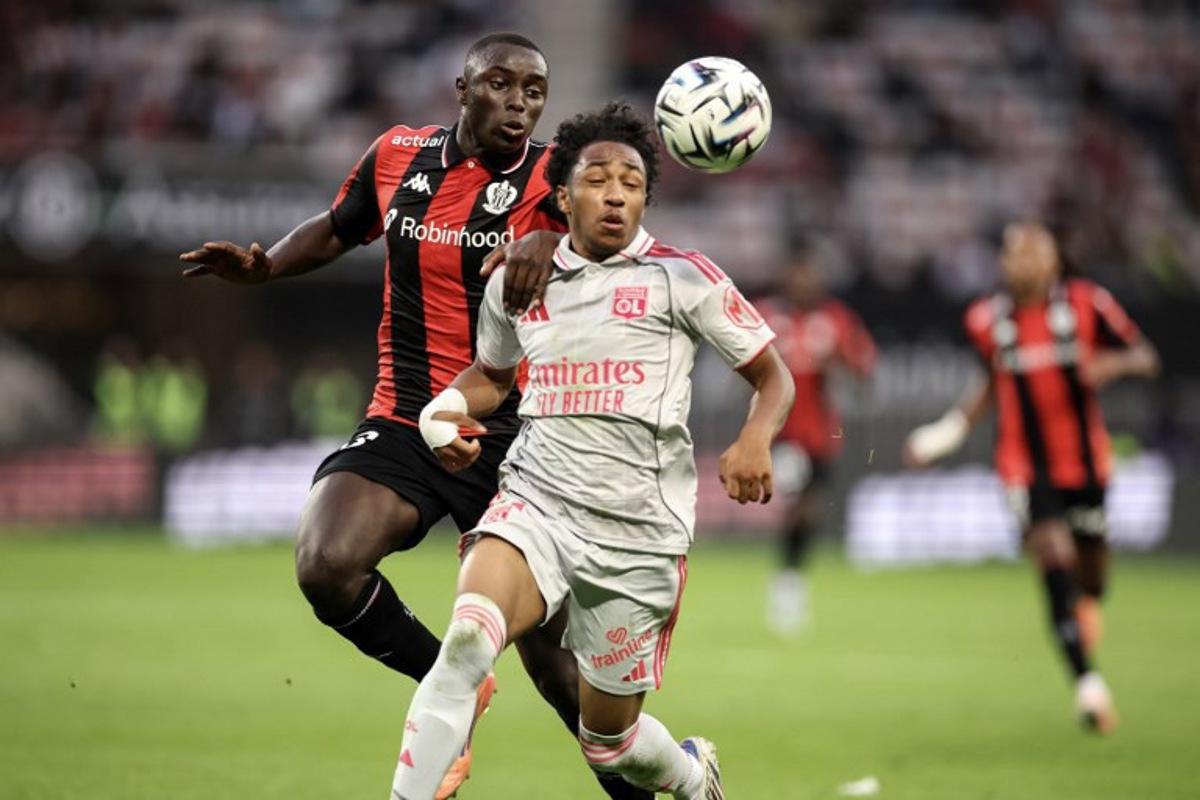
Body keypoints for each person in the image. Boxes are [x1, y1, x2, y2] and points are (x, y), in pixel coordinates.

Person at [180, 33, 648, 800]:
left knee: (561, 672)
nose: (520, 103)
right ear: (462, 88)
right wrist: (267, 268)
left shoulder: (556, 178)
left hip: (522, 431)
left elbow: (610, 240)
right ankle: (452, 688)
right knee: (326, 564)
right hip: (409, 414)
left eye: (534, 91)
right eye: (502, 84)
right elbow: (339, 225)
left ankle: (655, 788)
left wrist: (547, 241)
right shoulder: (398, 154)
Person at [391, 102, 794, 800]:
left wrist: (755, 438)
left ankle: (695, 777)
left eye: (632, 183)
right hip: (535, 504)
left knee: (608, 745)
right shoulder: (521, 281)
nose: (616, 194)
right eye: (599, 178)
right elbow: (491, 376)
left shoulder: (684, 276)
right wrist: (442, 408)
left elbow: (772, 374)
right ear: (562, 193)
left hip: (639, 534)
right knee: (464, 646)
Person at [904, 221, 1159, 734]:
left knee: (1091, 580)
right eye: (1011, 253)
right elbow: (990, 386)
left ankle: (1082, 611)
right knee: (1053, 559)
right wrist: (945, 434)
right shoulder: (986, 319)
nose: (1019, 261)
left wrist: (1110, 364)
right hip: (1024, 468)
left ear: (1054, 262)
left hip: (1085, 466)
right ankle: (1090, 687)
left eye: (1031, 252)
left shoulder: (1089, 304)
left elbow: (1145, 357)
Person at [761, 255, 876, 633]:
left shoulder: (835, 320)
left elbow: (863, 369)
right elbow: (740, 366)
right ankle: (788, 585)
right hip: (779, 432)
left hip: (821, 436)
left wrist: (845, 365)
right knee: (798, 502)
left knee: (809, 513)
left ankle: (789, 577)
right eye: (798, 274)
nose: (804, 282)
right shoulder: (767, 318)